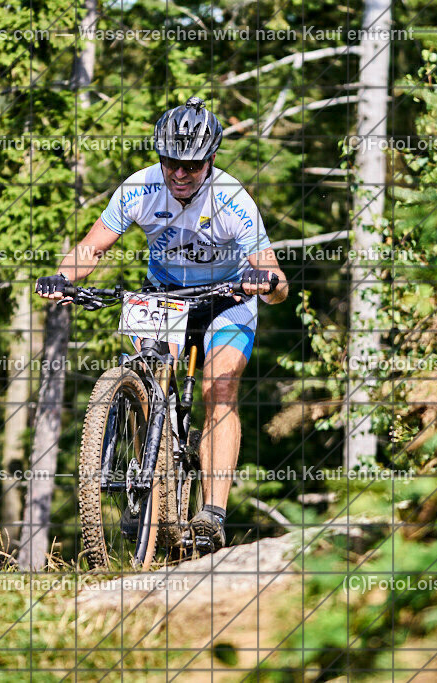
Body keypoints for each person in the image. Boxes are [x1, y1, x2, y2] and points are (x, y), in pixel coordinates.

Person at [35, 96, 288, 553]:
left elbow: (276, 278)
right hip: (163, 294)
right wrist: (62, 279)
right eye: (170, 162)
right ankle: (147, 482)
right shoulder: (139, 188)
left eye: (191, 166)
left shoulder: (233, 199)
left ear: (210, 160)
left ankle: (212, 513)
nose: (179, 174)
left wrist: (266, 282)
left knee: (220, 387)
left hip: (225, 298)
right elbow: (91, 247)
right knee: (144, 375)